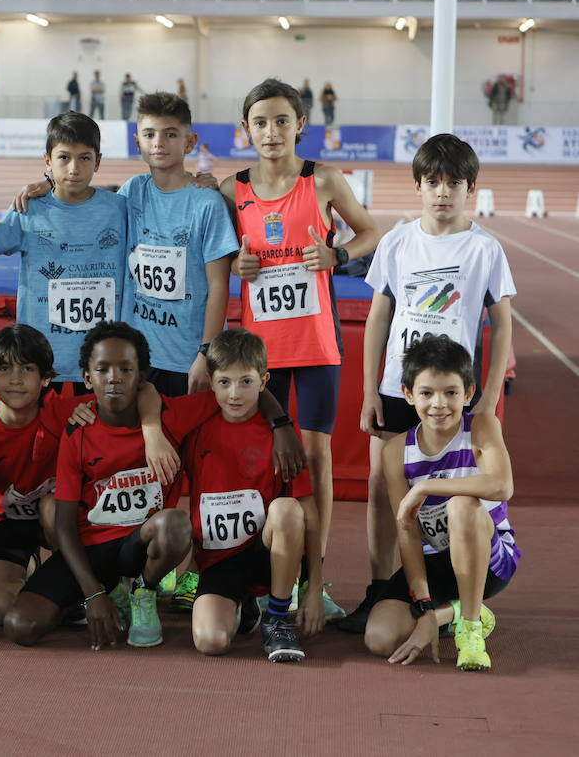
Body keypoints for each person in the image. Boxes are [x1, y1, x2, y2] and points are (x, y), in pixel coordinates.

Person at [220, 77, 381, 622]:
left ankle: (316, 580)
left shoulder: (325, 180)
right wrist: (238, 266)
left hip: (314, 346)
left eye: (281, 120)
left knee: (315, 460)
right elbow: (216, 255)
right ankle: (257, 575)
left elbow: (369, 233)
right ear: (246, 130)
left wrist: (337, 257)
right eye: (260, 122)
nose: (271, 131)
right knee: (260, 460)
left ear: (300, 126)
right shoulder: (229, 190)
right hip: (255, 359)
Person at [346, 134, 515, 633]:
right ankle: (382, 587)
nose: (443, 192)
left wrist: (491, 390)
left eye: (454, 183)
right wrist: (367, 390)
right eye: (433, 182)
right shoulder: (398, 240)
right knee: (383, 486)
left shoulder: (484, 248)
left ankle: (462, 590)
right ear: (418, 186)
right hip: (401, 389)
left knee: (459, 486)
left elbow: (501, 322)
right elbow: (379, 314)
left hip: (452, 394)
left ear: (471, 189)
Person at [3, 323, 191, 650]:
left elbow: (236, 394)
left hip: (139, 543)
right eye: (102, 369)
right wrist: (92, 593)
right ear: (88, 379)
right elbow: (63, 524)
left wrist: (282, 424)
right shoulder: (78, 427)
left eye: (126, 369)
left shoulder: (172, 417)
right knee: (20, 626)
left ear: (142, 376)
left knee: (174, 523)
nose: (114, 377)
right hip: (93, 546)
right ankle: (103, 591)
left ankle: (143, 591)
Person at [362, 336, 518, 671]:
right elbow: (406, 530)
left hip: (490, 559)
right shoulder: (395, 453)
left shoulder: (481, 427)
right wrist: (426, 608)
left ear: (468, 393)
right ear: (408, 394)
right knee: (380, 638)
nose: (439, 404)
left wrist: (427, 487)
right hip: (433, 563)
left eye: (451, 392)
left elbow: (502, 486)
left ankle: (472, 625)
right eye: (427, 393)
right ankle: (454, 611)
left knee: (461, 506)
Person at [178, 328, 324, 662]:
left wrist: (314, 587)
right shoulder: (195, 421)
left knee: (287, 510)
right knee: (210, 642)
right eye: (224, 382)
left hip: (268, 552)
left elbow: (309, 512)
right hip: (219, 559)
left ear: (264, 381)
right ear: (210, 380)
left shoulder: (283, 435)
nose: (234, 393)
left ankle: (276, 616)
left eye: (246, 381)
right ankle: (244, 608)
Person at [0, 111, 126, 391]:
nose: (73, 169)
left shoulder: (119, 209)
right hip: (41, 356)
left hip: (101, 358)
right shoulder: (29, 209)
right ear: (48, 161)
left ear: (98, 161)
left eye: (85, 158)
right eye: (64, 157)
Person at [123, 92, 238, 398]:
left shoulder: (207, 204)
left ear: (190, 143)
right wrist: (49, 182)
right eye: (150, 134)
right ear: (138, 143)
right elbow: (86, 205)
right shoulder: (132, 192)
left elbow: (218, 285)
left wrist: (206, 352)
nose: (158, 142)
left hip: (187, 360)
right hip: (136, 358)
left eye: (170, 134)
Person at [0, 324, 75, 624]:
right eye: (4, 368)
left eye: (27, 369)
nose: (15, 379)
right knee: (1, 611)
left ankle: (82, 581)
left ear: (46, 379)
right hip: (6, 525)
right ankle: (31, 569)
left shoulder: (65, 413)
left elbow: (133, 397)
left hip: (62, 523)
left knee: (52, 507)